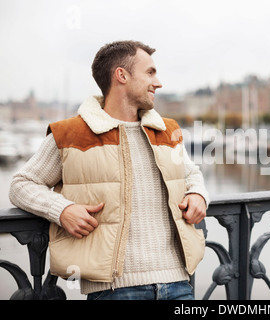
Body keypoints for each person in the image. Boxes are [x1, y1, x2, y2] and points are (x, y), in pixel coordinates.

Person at [9, 40, 209, 300]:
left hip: (178, 283)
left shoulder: (167, 129)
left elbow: (191, 173)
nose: (158, 82)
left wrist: (198, 194)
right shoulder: (71, 133)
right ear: (121, 75)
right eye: (150, 72)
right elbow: (21, 184)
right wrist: (62, 210)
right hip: (115, 290)